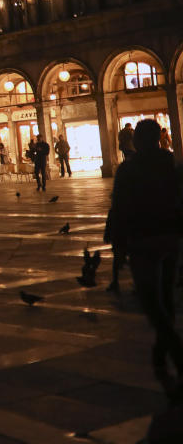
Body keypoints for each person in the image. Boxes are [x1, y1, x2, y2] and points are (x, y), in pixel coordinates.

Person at [106, 119, 183, 399]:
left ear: (137, 141)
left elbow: (120, 208)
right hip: (171, 239)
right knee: (166, 298)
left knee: (152, 303)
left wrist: (119, 244)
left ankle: (175, 354)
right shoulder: (171, 164)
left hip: (143, 241)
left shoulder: (129, 169)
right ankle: (160, 354)